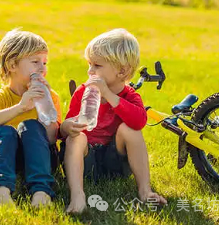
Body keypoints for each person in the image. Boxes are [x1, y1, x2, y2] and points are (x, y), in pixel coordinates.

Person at [59, 28, 167, 213]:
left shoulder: (129, 96)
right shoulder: (82, 92)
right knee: (76, 138)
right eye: (89, 64)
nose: (90, 70)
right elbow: (63, 133)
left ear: (122, 71)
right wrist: (67, 126)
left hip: (115, 162)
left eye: (97, 66)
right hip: (86, 161)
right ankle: (77, 195)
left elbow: (139, 121)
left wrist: (108, 95)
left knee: (130, 129)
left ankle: (145, 190)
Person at [0, 28, 62, 207]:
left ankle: (41, 191)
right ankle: (1, 191)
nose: (42, 68)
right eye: (35, 62)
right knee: (4, 131)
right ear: (12, 65)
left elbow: (52, 137)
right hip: (10, 159)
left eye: (45, 62)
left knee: (30, 126)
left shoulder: (51, 96)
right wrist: (20, 107)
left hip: (43, 158)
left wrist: (44, 105)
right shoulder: (1, 97)